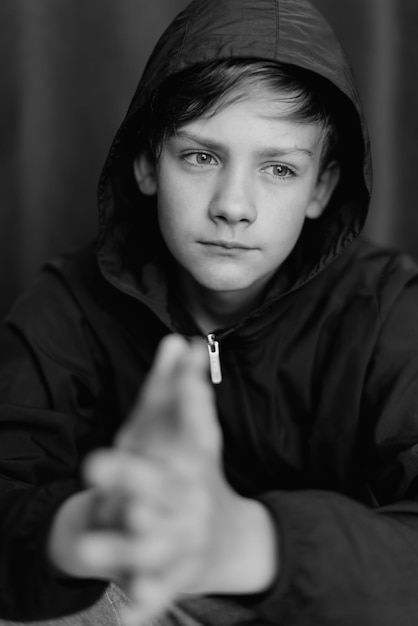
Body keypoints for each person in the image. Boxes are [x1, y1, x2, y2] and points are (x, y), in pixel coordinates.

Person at [1, 0, 418, 624]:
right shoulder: (70, 300)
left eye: (279, 168)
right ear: (147, 165)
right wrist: (74, 528)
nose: (233, 205)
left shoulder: (389, 307)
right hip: (140, 597)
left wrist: (249, 543)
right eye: (200, 157)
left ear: (321, 189)